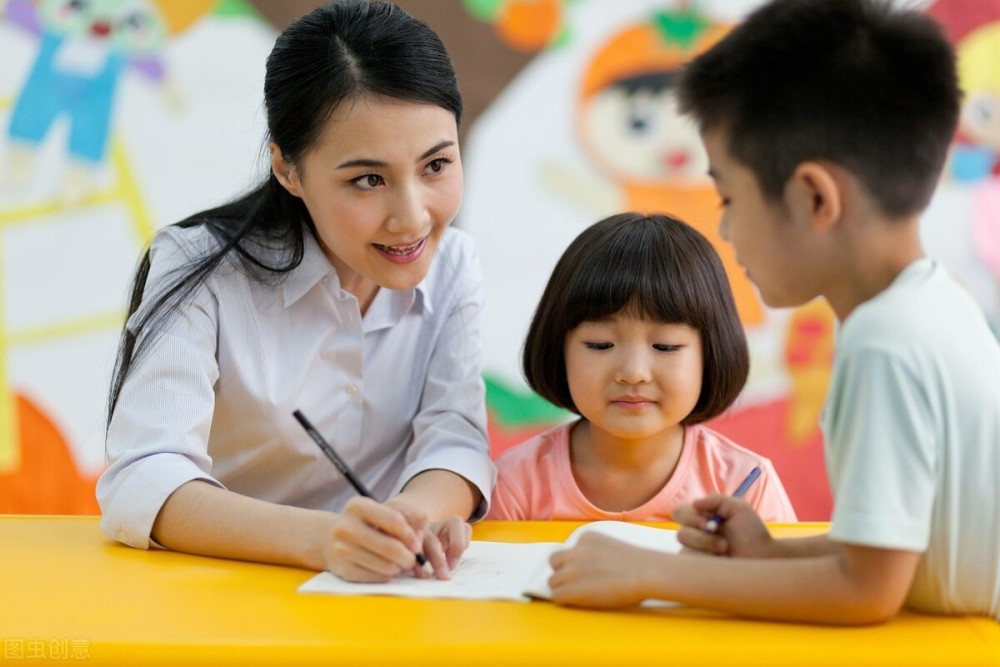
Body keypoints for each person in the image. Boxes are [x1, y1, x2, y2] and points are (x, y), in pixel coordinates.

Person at [547, 0, 1000, 624]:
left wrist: (652, 573)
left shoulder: (885, 342)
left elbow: (865, 591)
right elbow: (893, 552)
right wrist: (768, 556)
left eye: (729, 198)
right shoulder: (935, 304)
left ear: (814, 197)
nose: (726, 231)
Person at [97, 0, 495, 584]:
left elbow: (455, 435)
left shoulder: (454, 263)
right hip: (222, 593)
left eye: (436, 166)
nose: (411, 218)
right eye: (368, 179)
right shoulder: (198, 269)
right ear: (287, 168)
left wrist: (410, 520)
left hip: (381, 596)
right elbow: (145, 476)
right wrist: (326, 538)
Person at [487, 212, 796, 523]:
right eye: (600, 344)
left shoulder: (746, 485)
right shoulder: (516, 484)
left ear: (711, 354)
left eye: (665, 346)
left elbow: (786, 573)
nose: (633, 372)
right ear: (557, 349)